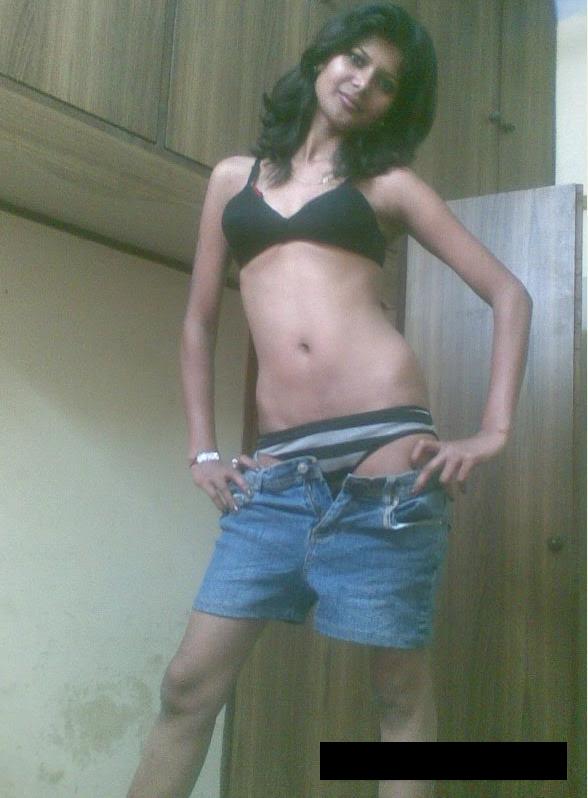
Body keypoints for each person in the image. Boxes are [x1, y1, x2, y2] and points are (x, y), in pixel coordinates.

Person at [127, 3, 532, 797]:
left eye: (387, 83)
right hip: (277, 476)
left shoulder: (389, 185)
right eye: (355, 59)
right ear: (323, 59)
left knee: (398, 696)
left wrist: (493, 430)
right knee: (187, 686)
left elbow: (509, 294)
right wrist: (203, 448)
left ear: (394, 107)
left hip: (390, 465)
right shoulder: (231, 180)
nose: (363, 82)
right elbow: (200, 321)